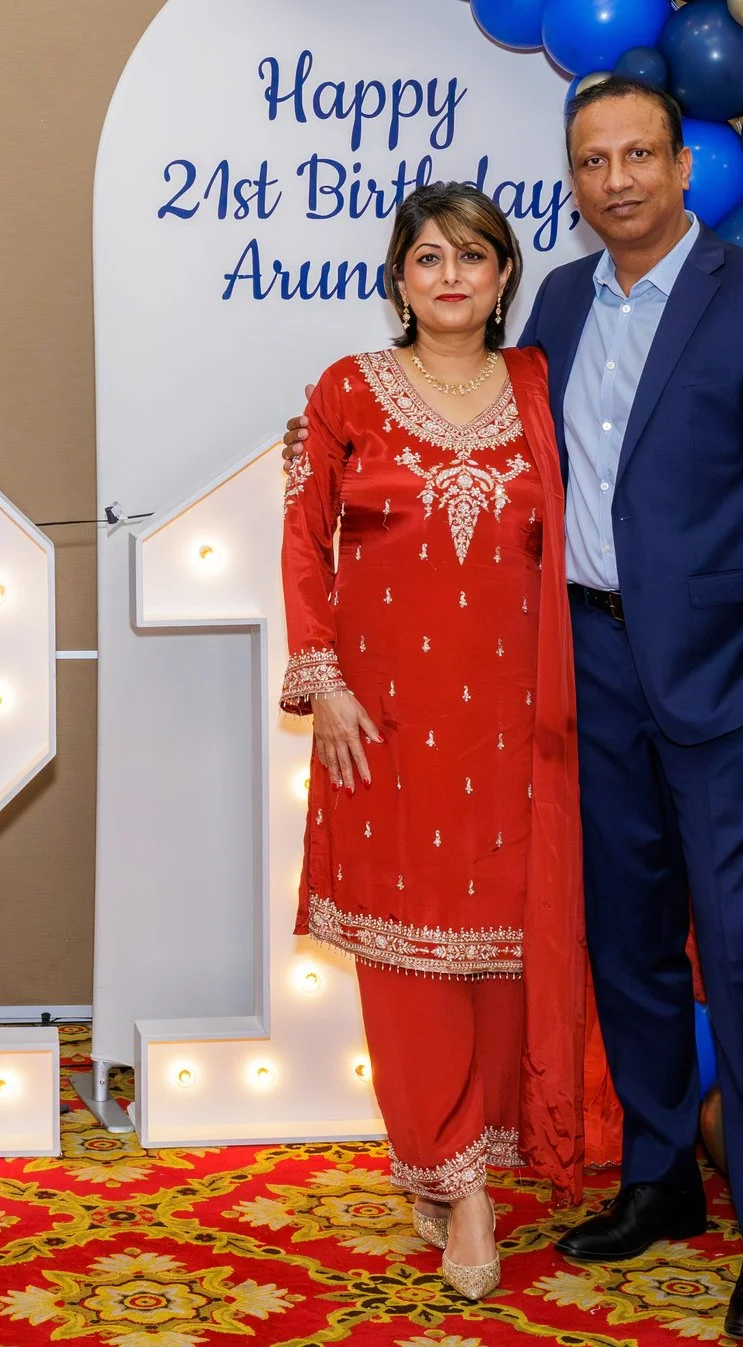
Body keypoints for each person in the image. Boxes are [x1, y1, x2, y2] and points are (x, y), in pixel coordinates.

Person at [520, 80, 743, 1342]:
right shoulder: (556, 303)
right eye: (593, 160)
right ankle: (660, 1175)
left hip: (732, 686)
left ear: (681, 165)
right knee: (628, 944)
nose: (616, 180)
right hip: (592, 667)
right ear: (574, 176)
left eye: (638, 154)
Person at [281, 182, 596, 1301]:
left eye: (473, 255)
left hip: (523, 715)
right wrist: (325, 684)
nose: (451, 274)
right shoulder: (347, 390)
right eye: (427, 257)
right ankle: (458, 1182)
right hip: (389, 716)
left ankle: (469, 1153)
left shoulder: (541, 389)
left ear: (505, 276)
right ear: (398, 279)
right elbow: (302, 539)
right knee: (408, 952)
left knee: (508, 945)